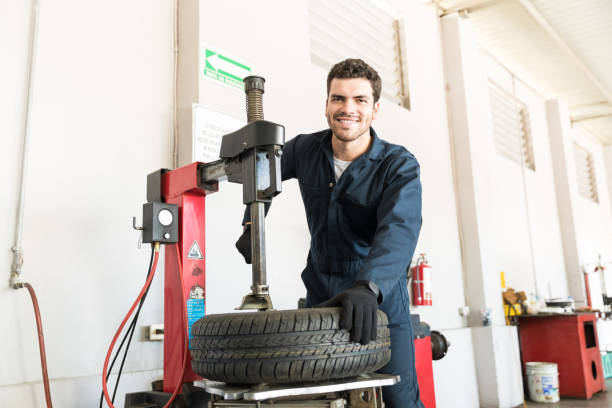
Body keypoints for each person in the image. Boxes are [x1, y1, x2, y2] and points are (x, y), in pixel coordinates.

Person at [236, 58, 423, 408]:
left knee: (398, 396)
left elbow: (399, 228)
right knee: (325, 394)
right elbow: (263, 173)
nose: (347, 109)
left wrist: (369, 286)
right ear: (326, 105)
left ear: (375, 109)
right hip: (322, 288)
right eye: (338, 98)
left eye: (359, 100)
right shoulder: (305, 150)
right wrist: (251, 222)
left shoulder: (397, 164)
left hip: (378, 298)